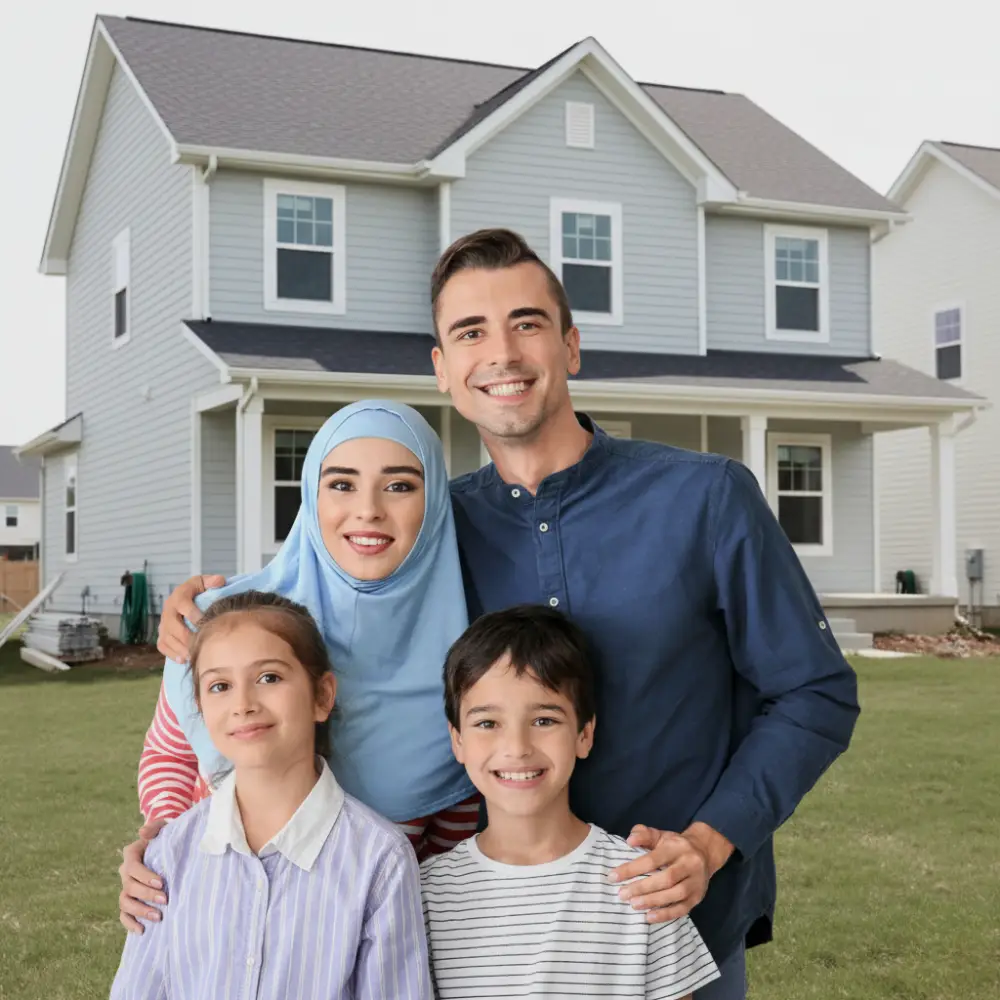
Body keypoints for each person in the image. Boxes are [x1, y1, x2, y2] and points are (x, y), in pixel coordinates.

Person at [152, 229, 861, 999]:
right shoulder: (430, 530)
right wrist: (206, 613)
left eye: (526, 323)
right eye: (470, 332)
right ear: (443, 368)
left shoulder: (705, 499)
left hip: (671, 915)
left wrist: (708, 841)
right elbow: (319, 594)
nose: (502, 353)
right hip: (484, 939)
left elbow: (814, 692)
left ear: (571, 346)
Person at [119, 400, 480, 934]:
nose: (368, 510)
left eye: (399, 486)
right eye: (342, 484)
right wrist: (163, 839)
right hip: (212, 913)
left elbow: (451, 839)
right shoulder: (224, 622)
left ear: (434, 506)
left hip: (368, 937)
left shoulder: (472, 666)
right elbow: (170, 752)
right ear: (311, 494)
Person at [110, 590, 432, 999]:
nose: (243, 704)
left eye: (269, 678)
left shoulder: (379, 860)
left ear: (322, 696)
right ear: (200, 709)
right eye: (220, 685)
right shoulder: (169, 854)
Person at [421, 603, 720, 999]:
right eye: (487, 723)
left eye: (544, 720)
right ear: (457, 739)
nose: (517, 747)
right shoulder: (424, 896)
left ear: (584, 734)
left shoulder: (646, 884)